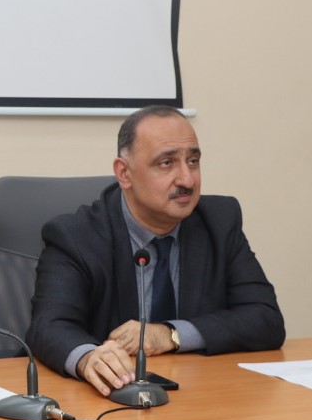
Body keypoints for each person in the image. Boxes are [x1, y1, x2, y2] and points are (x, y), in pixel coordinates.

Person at [26, 105, 285, 397]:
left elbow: (265, 319)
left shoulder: (219, 222)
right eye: (166, 163)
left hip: (197, 396)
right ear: (124, 173)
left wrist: (171, 334)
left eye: (193, 161)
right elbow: (49, 326)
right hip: (109, 402)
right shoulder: (76, 235)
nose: (187, 180)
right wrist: (88, 358)